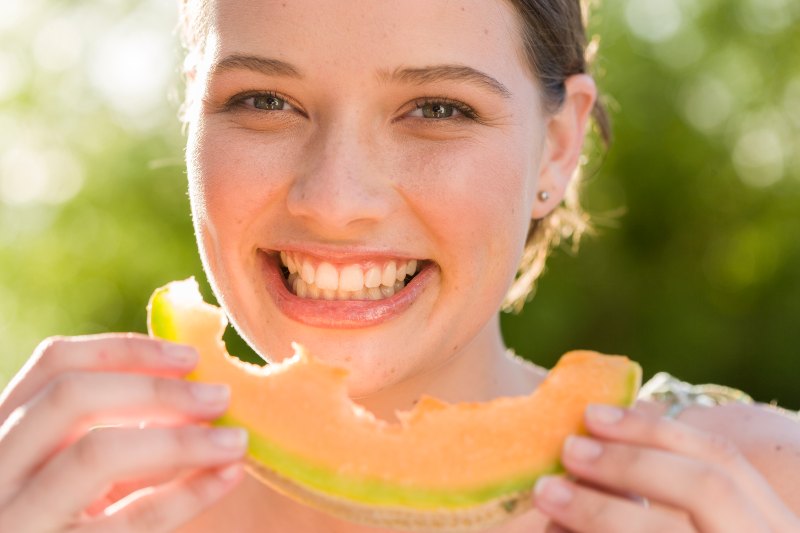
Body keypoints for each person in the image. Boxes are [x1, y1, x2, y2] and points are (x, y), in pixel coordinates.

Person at [1, 1, 798, 531]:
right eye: (263, 102)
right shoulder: (59, 497)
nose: (335, 199)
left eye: (439, 110)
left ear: (558, 145)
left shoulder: (768, 486)